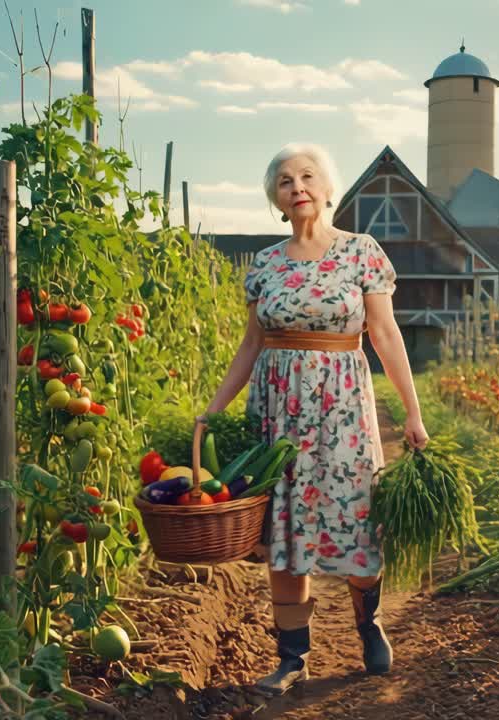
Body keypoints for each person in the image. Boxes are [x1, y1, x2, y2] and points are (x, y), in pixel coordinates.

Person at [196, 142, 429, 695]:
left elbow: (385, 336)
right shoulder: (266, 264)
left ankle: (367, 622)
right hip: (277, 412)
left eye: (306, 177)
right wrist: (213, 408)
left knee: (354, 517)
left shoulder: (360, 252)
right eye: (284, 181)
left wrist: (413, 413)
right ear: (276, 200)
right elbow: (251, 343)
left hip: (343, 407)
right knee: (284, 529)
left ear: (327, 191)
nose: (296, 186)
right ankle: (292, 656)